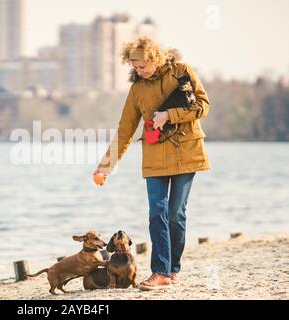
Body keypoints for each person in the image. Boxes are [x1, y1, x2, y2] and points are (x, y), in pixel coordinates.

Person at [94, 36, 211, 290]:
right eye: (135, 67)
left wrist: (171, 114)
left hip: (187, 151)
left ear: (155, 58)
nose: (140, 71)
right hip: (155, 156)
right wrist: (106, 165)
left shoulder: (182, 71)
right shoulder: (137, 89)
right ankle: (160, 272)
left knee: (175, 214)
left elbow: (203, 105)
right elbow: (125, 130)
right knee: (157, 214)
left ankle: (172, 269)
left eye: (143, 65)